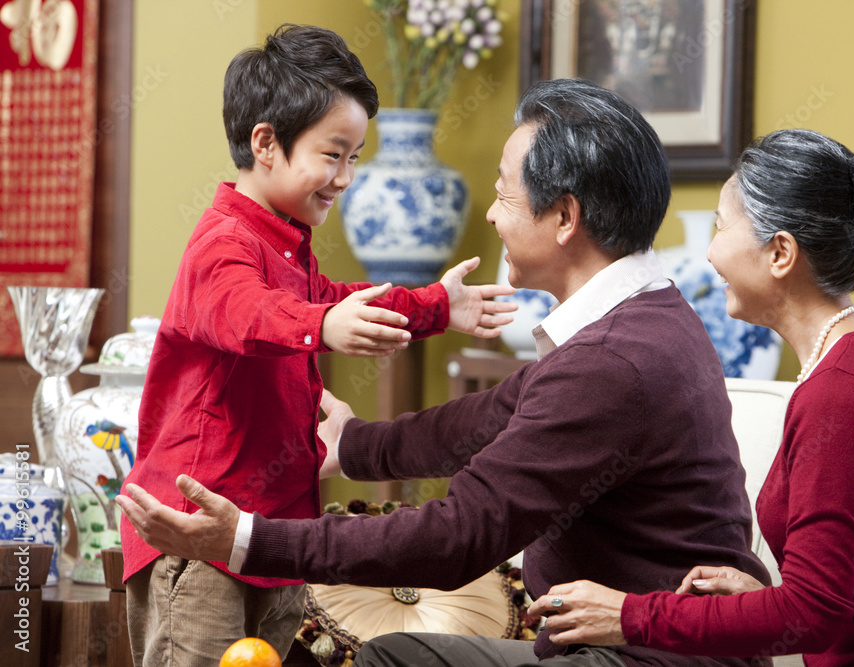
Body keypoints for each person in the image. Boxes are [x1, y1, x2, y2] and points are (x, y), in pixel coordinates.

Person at [118, 77, 773, 667]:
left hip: (649, 657)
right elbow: (488, 418)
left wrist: (247, 538)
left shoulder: (612, 361)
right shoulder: (645, 316)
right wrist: (350, 445)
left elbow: (460, 533)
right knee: (396, 654)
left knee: (392, 661)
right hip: (655, 649)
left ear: (566, 217)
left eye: (502, 194)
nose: (489, 214)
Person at [119, 24, 516, 666]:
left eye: (355, 156)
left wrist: (437, 305)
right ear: (266, 143)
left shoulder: (287, 248)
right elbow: (243, 312)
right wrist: (321, 326)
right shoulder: (222, 243)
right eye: (334, 155)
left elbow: (332, 298)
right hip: (196, 531)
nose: (347, 177)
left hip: (271, 534)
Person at [526, 129, 854, 666]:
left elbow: (813, 613)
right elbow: (836, 593)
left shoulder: (846, 390)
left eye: (723, 226)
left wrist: (628, 615)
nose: (709, 252)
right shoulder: (850, 361)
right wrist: (759, 600)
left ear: (780, 253)